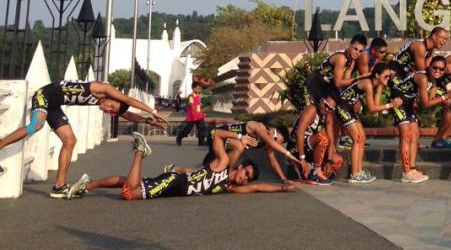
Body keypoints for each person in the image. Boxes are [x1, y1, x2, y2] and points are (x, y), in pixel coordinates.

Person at [0, 79, 167, 198]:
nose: (108, 110)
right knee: (36, 125)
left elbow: (127, 114)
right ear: (112, 97)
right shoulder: (102, 88)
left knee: (70, 141)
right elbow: (128, 100)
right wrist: (153, 111)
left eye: (111, 111)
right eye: (111, 106)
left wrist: (148, 121)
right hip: (44, 95)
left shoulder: (108, 101)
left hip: (54, 105)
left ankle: (59, 187)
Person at [69, 130, 295, 200]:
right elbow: (216, 134)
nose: (245, 178)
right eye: (246, 172)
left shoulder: (229, 187)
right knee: (131, 193)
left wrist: (282, 188)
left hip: (175, 186)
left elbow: (258, 187)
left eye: (247, 178)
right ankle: (140, 153)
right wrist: (239, 137)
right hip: (175, 182)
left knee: (129, 183)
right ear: (239, 167)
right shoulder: (223, 164)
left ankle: (87, 185)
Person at [390, 55, 451, 183]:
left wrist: (444, 99)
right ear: (429, 67)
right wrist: (445, 97)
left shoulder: (434, 82)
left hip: (408, 104)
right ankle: (406, 172)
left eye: (441, 69)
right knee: (406, 135)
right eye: (435, 68)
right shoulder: (423, 78)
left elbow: (430, 101)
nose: (438, 71)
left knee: (415, 135)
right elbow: (426, 103)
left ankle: (412, 169)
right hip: (398, 102)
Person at [332, 62, 400, 183]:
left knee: (362, 138)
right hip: (343, 107)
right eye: (386, 76)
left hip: (350, 108)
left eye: (389, 77)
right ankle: (354, 174)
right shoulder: (368, 84)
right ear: (377, 75)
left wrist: (381, 94)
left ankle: (359, 171)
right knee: (357, 138)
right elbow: (372, 108)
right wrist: (391, 105)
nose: (388, 79)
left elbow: (376, 105)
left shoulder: (377, 84)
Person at [200, 120, 302, 184]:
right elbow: (270, 141)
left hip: (226, 146)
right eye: (275, 139)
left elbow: (273, 162)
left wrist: (283, 179)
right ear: (273, 130)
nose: (273, 144)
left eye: (276, 143)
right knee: (240, 145)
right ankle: (225, 175)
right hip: (216, 136)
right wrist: (290, 155)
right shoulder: (259, 127)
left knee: (204, 173)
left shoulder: (268, 142)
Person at [288, 96, 342, 185]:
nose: (327, 109)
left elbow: (331, 140)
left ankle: (313, 171)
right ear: (321, 101)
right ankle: (316, 172)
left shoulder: (328, 115)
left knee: (338, 160)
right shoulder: (312, 109)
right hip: (296, 147)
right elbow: (299, 133)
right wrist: (302, 158)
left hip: (310, 146)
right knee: (322, 139)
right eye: (326, 105)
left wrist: (328, 161)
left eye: (331, 109)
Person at [176, 81, 207, 146]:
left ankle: (201, 141)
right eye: (198, 88)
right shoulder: (191, 96)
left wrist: (202, 112)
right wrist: (195, 111)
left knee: (202, 128)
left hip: (199, 115)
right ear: (193, 89)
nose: (199, 90)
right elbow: (191, 104)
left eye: (200, 88)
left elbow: (198, 105)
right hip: (192, 116)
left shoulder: (198, 96)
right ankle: (179, 137)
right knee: (187, 129)